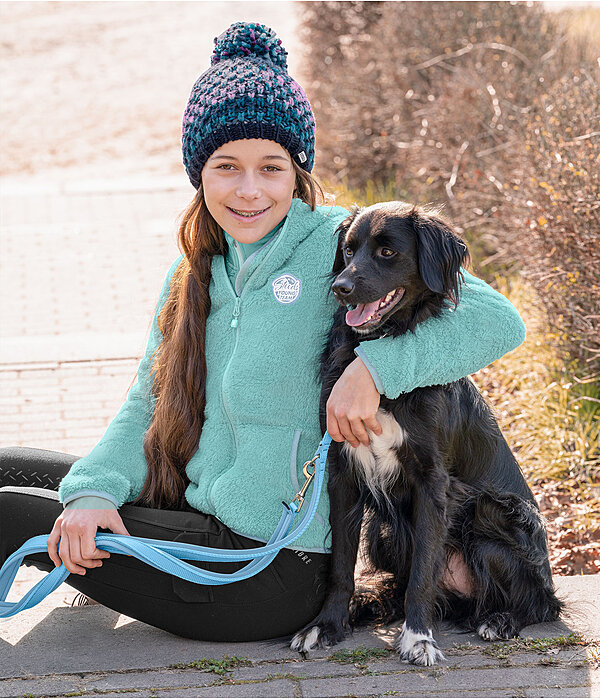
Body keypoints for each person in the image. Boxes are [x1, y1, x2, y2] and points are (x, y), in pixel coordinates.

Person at [0, 22, 527, 642]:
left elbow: (498, 320)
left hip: (268, 569)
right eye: (227, 166)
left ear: (297, 172)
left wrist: (377, 369)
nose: (249, 191)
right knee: (16, 470)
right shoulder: (193, 270)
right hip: (198, 517)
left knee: (6, 515)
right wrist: (91, 493)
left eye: (270, 168)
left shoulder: (339, 243)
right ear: (200, 173)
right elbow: (146, 400)